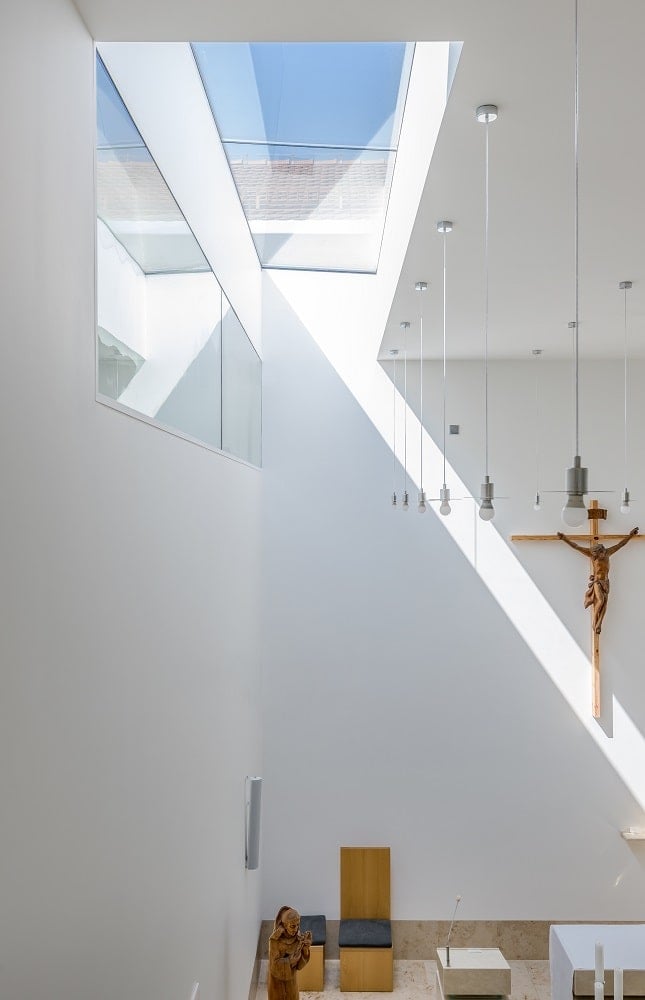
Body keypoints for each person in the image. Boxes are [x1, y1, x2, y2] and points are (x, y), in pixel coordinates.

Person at [557, 527, 639, 633]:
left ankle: (599, 623)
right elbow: (576, 547)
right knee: (600, 601)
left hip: (606, 582)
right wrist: (564, 538)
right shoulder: (591, 554)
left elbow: (621, 545)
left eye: (604, 552)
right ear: (596, 553)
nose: (603, 554)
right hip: (597, 582)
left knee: (605, 604)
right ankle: (595, 622)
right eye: (601, 553)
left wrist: (630, 535)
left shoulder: (608, 552)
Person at [267, 905, 312, 1000]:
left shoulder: (297, 938)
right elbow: (273, 965)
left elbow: (299, 966)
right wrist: (289, 961)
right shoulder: (275, 940)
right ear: (284, 925)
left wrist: (305, 950)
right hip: (277, 983)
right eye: (292, 926)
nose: (296, 929)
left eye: (298, 925)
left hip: (291, 982)